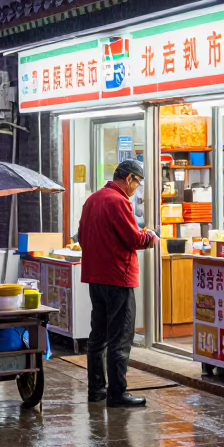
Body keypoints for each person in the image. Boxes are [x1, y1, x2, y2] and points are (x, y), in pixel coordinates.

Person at [77, 158, 158, 408]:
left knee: (98, 335)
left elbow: (81, 235)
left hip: (95, 277)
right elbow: (133, 238)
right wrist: (150, 237)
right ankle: (117, 393)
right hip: (118, 278)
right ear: (129, 178)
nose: (137, 188)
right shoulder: (119, 201)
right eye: (138, 182)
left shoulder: (93, 199)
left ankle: (96, 389)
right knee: (120, 337)